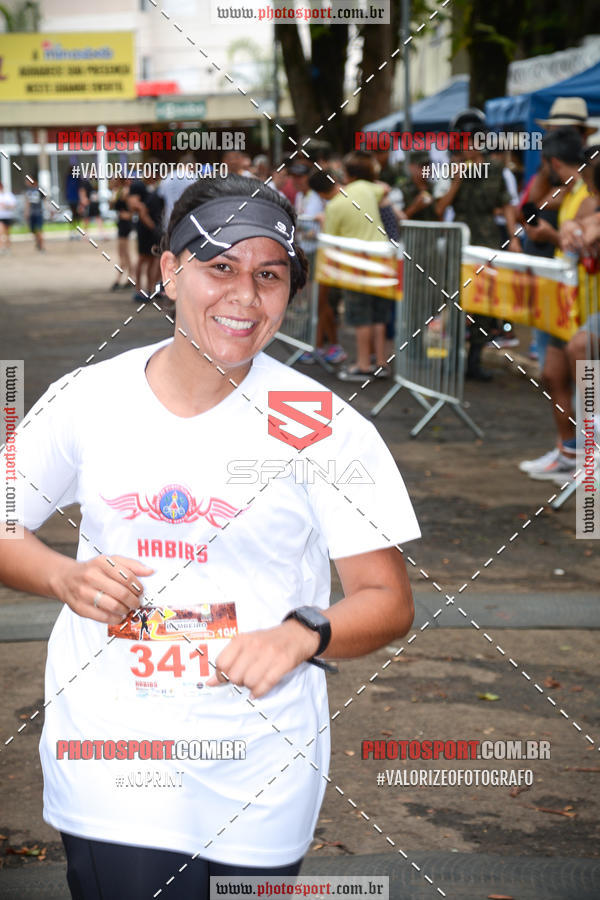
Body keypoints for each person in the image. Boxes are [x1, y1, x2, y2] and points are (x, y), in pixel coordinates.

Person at [0, 173, 420, 898]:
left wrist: (301, 634)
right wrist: (62, 578)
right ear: (169, 270)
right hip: (114, 750)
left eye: (269, 275)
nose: (244, 297)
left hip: (262, 762)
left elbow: (387, 598)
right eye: (219, 266)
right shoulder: (90, 398)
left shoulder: (316, 421)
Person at [520, 133, 597, 482]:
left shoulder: (586, 193)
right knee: (553, 374)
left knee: (583, 379)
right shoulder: (572, 187)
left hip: (583, 303)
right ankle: (568, 451)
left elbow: (586, 229)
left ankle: (585, 458)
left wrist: (562, 232)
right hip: (562, 301)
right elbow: (532, 202)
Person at [436, 112, 522, 380]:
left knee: (485, 301)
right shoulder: (450, 169)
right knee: (456, 299)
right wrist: (457, 179)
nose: (469, 146)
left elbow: (508, 205)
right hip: (459, 240)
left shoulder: (498, 170)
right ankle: (451, 359)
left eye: (473, 141)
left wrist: (514, 238)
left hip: (487, 240)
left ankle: (474, 360)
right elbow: (439, 209)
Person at [321, 151, 393, 381]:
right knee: (379, 315)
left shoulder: (333, 206)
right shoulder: (365, 188)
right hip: (383, 258)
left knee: (361, 314)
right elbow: (384, 189)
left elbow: (329, 241)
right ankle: (380, 362)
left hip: (355, 263)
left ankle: (363, 365)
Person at [127, 179, 165, 302]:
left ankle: (149, 289)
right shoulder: (138, 185)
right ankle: (138, 290)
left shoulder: (157, 187)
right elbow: (132, 204)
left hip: (153, 227)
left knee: (152, 259)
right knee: (143, 258)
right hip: (145, 228)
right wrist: (151, 225)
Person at [110, 178, 133, 290]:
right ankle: (130, 277)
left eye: (114, 179)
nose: (111, 181)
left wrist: (127, 215)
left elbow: (131, 210)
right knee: (124, 253)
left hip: (125, 224)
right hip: (121, 223)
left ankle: (118, 279)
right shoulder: (118, 192)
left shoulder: (125, 192)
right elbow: (112, 206)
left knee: (123, 253)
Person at [24, 175, 45, 251]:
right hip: (31, 213)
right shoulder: (28, 190)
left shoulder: (39, 189)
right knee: (33, 230)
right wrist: (26, 212)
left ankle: (41, 246)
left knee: (39, 229)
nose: (26, 182)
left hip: (39, 212)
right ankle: (38, 242)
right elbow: (27, 202)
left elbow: (45, 200)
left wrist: (48, 209)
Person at [0, 181, 17, 251]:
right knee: (0, 232)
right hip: (1, 217)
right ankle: (1, 247)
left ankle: (8, 246)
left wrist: (6, 206)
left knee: (7, 233)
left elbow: (13, 205)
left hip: (8, 216)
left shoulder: (8, 195)